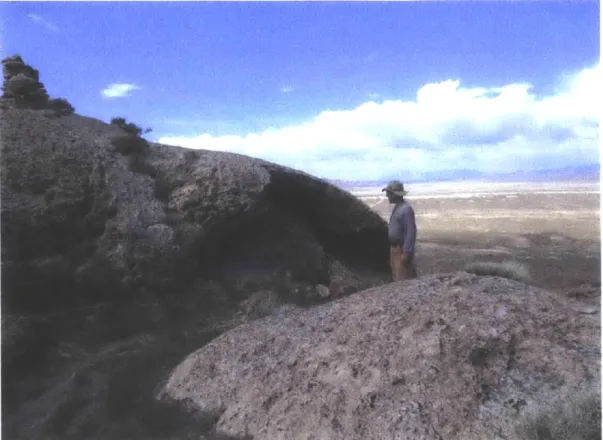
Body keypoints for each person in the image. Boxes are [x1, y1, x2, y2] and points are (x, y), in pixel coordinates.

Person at [382, 180, 418, 281]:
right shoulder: (399, 207)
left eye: (389, 193)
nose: (387, 195)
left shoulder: (406, 209)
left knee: (403, 280)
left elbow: (411, 232)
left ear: (395, 194)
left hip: (401, 250)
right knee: (397, 279)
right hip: (396, 249)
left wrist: (406, 253)